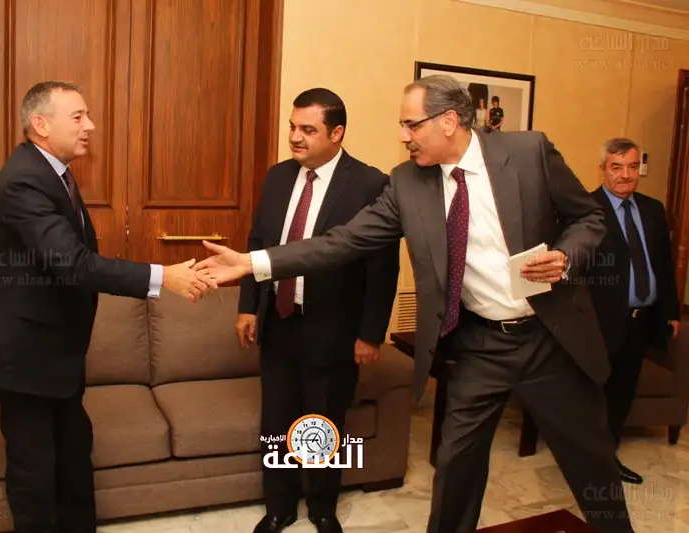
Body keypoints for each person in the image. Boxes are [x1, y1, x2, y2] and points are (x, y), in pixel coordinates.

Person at [195, 75, 636, 533]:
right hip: (481, 344)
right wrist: (253, 263)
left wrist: (566, 257)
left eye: (411, 124)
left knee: (591, 462)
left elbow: (589, 217)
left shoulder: (528, 152)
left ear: (449, 121)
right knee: (455, 464)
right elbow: (343, 242)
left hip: (548, 338)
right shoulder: (407, 182)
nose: (402, 136)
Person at [0, 81, 216, 533]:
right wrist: (163, 276)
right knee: (34, 474)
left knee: (74, 455)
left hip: (55, 351)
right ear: (41, 124)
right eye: (78, 117)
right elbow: (73, 264)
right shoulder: (24, 180)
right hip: (25, 355)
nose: (90, 126)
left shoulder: (53, 171)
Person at [238, 88, 400, 533]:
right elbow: (258, 245)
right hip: (279, 321)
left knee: (324, 420)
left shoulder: (370, 184)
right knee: (277, 421)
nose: (295, 137)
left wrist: (370, 333)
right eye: (292, 127)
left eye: (307, 129)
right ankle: (279, 507)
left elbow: (383, 268)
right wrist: (248, 306)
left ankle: (322, 507)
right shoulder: (277, 177)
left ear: (336, 132)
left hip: (333, 329)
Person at [585, 137, 681, 485]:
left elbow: (663, 265)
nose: (625, 175)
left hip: (641, 321)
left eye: (631, 167)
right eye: (616, 167)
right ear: (603, 170)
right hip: (599, 322)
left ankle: (606, 460)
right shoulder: (586, 210)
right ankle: (588, 462)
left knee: (622, 393)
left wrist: (671, 311)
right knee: (593, 394)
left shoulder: (653, 210)